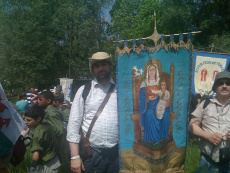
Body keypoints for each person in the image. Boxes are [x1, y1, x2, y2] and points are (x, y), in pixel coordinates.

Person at [67, 52, 118, 173]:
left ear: (110, 66)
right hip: (91, 153)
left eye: (104, 64)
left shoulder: (121, 89)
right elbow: (74, 124)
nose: (101, 68)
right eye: (97, 66)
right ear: (93, 70)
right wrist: (74, 157)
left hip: (117, 154)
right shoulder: (84, 90)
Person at [189, 71, 230, 172]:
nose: (224, 86)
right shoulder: (205, 103)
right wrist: (208, 136)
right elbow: (191, 126)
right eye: (220, 83)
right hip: (207, 161)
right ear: (215, 88)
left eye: (228, 83)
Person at [24, 105, 61, 173]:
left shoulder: (38, 132)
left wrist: (33, 166)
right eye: (25, 119)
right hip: (55, 160)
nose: (26, 122)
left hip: (46, 166)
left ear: (38, 119)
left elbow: (36, 154)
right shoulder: (47, 124)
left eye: (29, 120)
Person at [139, 64, 170, 143]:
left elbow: (165, 93)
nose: (152, 72)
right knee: (149, 114)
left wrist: (163, 99)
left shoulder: (160, 82)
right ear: (147, 72)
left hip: (160, 106)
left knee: (166, 115)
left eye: (153, 70)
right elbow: (141, 97)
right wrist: (147, 98)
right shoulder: (144, 83)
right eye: (150, 70)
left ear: (156, 71)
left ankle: (163, 136)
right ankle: (152, 139)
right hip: (150, 107)